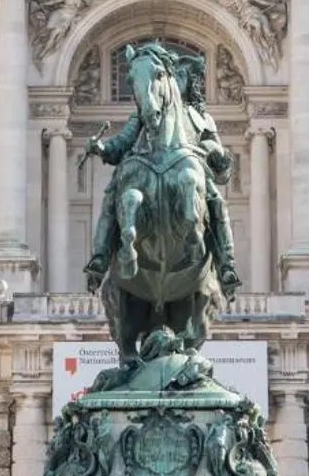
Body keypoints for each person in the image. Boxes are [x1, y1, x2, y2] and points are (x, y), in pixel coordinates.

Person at [85, 48, 239, 298]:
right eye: (172, 76)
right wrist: (102, 148)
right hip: (145, 164)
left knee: (217, 204)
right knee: (113, 198)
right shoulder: (142, 116)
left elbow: (220, 165)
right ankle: (100, 259)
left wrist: (218, 155)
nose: (176, 82)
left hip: (192, 168)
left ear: (189, 83)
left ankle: (227, 265)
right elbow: (121, 143)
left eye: (181, 77)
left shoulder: (201, 118)